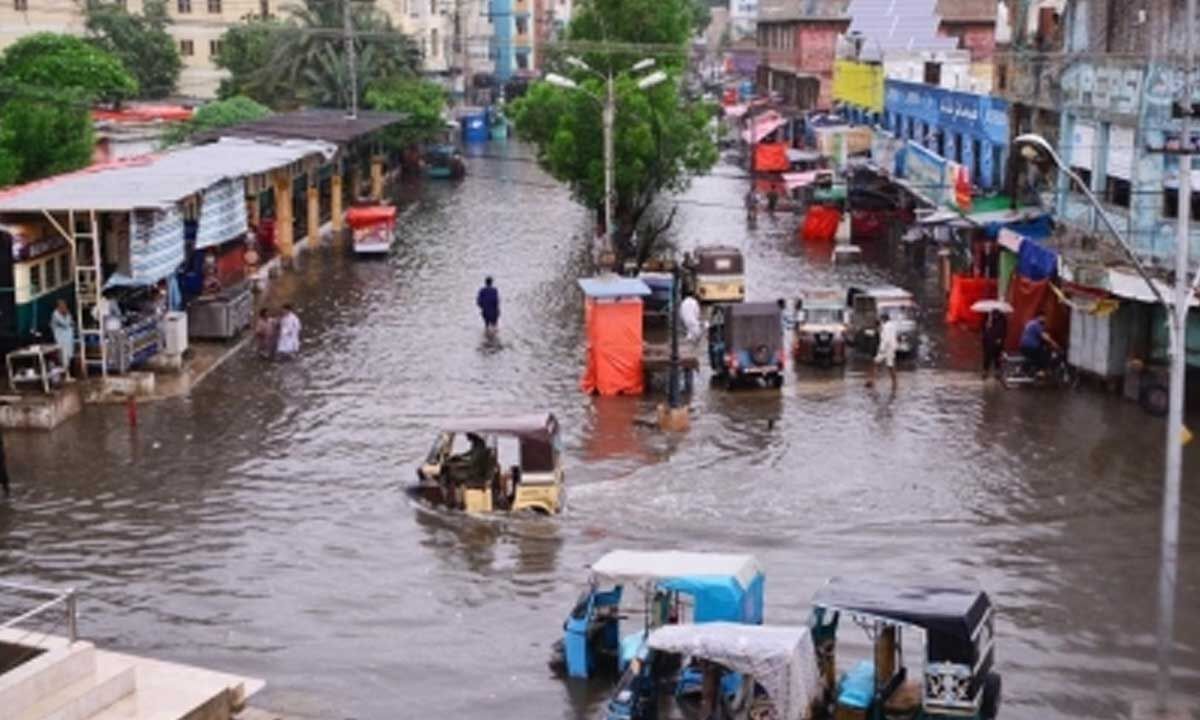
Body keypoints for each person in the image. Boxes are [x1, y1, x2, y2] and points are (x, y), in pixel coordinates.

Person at [867, 312, 898, 390]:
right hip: (891, 348)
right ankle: (894, 383)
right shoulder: (892, 326)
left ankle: (872, 381)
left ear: (884, 319)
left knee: (875, 362)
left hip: (886, 349)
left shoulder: (886, 327)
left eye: (881, 319)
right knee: (890, 366)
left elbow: (886, 339)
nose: (881, 320)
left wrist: (882, 349)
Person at [50, 299, 75, 382]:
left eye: (65, 305)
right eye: (62, 305)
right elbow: (65, 324)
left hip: (68, 339)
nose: (64, 307)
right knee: (63, 357)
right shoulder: (56, 314)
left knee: (68, 357)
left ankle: (66, 375)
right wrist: (68, 315)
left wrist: (68, 315)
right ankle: (60, 375)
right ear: (58, 306)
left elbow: (71, 323)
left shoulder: (66, 313)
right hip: (61, 339)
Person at [981, 309, 1007, 379]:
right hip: (988, 340)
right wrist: (987, 325)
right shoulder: (987, 317)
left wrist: (1001, 338)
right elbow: (983, 328)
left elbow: (1003, 330)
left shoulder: (1002, 319)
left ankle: (997, 371)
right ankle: (985, 371)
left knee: (997, 356)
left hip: (997, 340)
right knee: (987, 356)